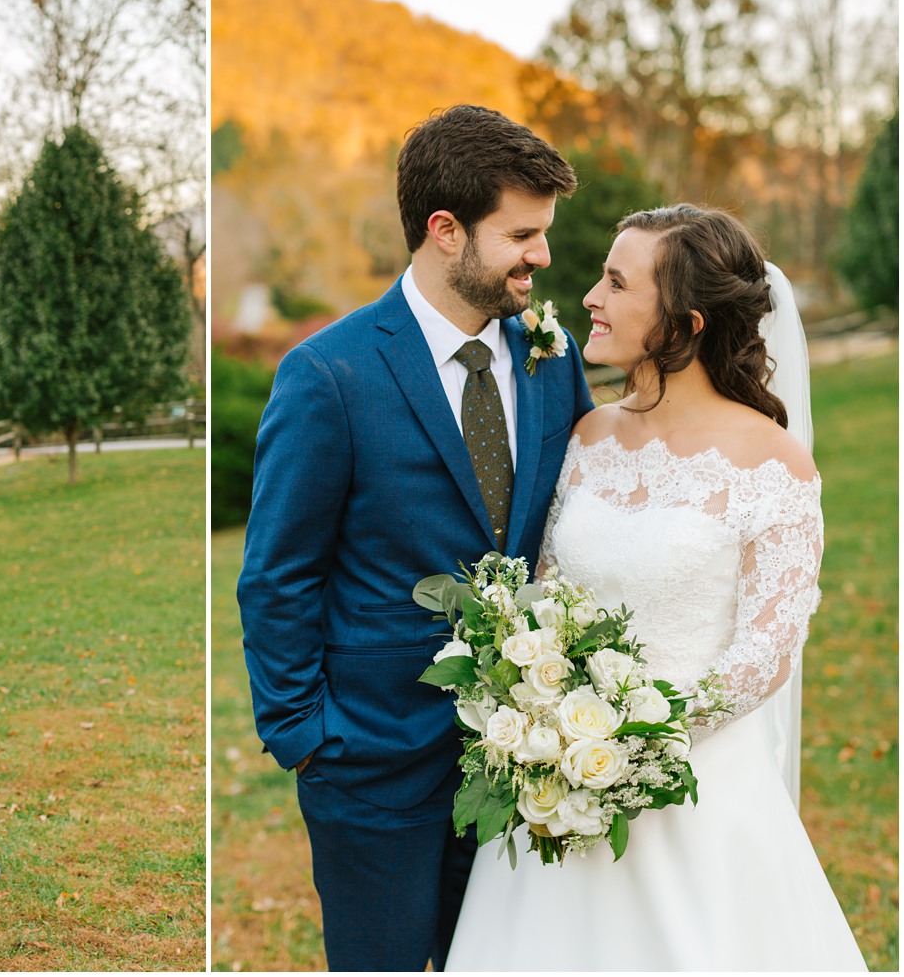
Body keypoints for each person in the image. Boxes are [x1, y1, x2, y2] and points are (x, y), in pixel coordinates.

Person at [444, 205, 867, 970]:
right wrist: (548, 728)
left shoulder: (774, 465)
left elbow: (765, 653)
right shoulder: (589, 437)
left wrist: (631, 745)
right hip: (553, 788)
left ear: (684, 321)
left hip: (690, 793)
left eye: (616, 282)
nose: (589, 300)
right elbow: (545, 594)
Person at [237, 105, 594, 971]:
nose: (542, 257)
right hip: (372, 763)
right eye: (522, 235)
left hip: (527, 766)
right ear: (445, 231)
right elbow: (278, 574)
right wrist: (307, 737)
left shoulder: (554, 356)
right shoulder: (328, 373)